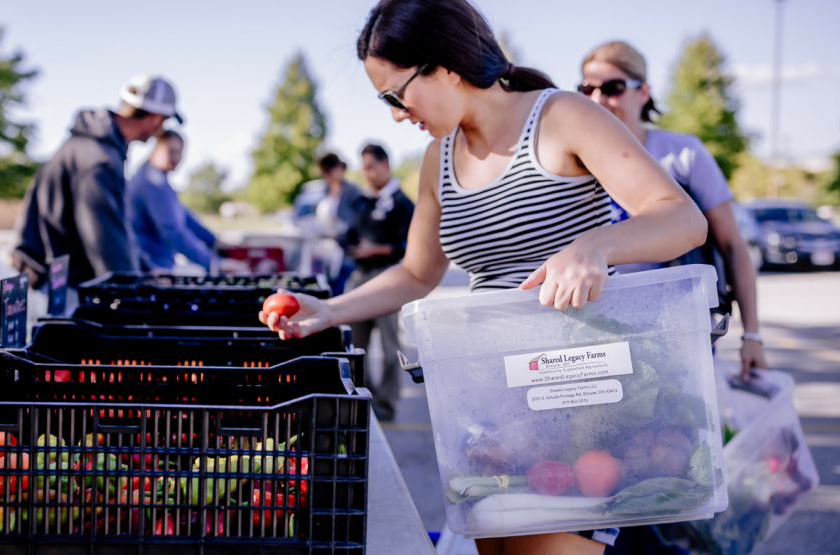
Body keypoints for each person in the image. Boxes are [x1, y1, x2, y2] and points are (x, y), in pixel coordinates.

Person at [262, 1, 707, 554]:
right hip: (490, 413)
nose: (396, 114)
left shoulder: (562, 115)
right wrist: (329, 310)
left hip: (574, 400)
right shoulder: (435, 158)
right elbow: (417, 272)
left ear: (443, 66)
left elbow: (683, 217)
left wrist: (594, 245)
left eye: (395, 95)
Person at [580, 41, 767, 381]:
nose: (597, 100)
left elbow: (733, 246)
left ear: (644, 91)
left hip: (677, 329)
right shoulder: (573, 161)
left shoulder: (683, 154)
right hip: (598, 331)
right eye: (586, 88)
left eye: (613, 88)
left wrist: (751, 335)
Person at [13, 75, 182, 288]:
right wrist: (132, 290)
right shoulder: (100, 161)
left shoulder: (101, 147)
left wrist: (147, 271)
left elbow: (118, 231)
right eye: (164, 122)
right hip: (55, 284)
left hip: (60, 277)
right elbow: (107, 245)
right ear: (155, 118)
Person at [343, 144, 415, 421]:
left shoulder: (402, 203)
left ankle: (385, 404)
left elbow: (412, 245)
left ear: (386, 164)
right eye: (364, 167)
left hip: (388, 277)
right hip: (360, 277)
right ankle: (363, 401)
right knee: (354, 346)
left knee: (389, 348)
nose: (367, 173)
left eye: (371, 166)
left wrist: (378, 250)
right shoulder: (362, 201)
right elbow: (350, 233)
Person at [127, 129, 217, 272]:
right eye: (171, 151)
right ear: (156, 150)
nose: (176, 157)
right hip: (153, 269)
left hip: (159, 264)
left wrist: (214, 240)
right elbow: (173, 231)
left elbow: (184, 216)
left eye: (180, 152)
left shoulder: (158, 179)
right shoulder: (153, 182)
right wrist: (213, 264)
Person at [292, 153, 364, 294]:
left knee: (339, 290)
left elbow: (356, 222)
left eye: (328, 170)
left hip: (343, 250)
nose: (327, 175)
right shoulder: (324, 189)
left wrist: (337, 227)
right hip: (323, 249)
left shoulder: (352, 191)